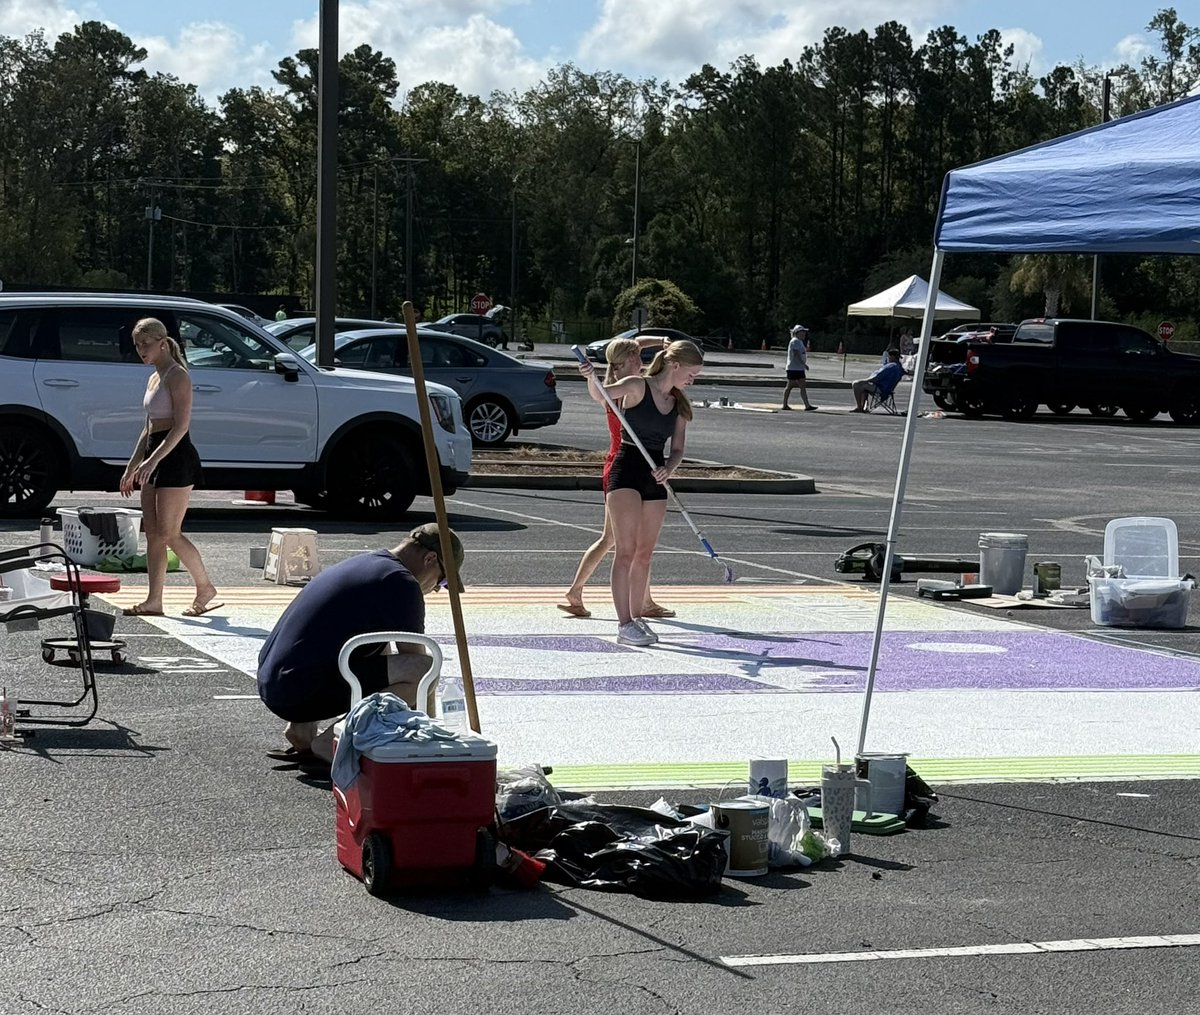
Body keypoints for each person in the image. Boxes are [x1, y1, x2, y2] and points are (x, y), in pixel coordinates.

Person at [257, 524, 466, 764]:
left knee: (346, 647)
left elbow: (380, 652)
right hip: (297, 690)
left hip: (276, 683)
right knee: (425, 668)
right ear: (430, 559)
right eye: (443, 581)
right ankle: (332, 742)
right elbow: (421, 672)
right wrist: (431, 737)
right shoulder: (401, 582)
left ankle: (301, 730)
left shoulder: (369, 564)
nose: (438, 589)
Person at [577, 340, 704, 646]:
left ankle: (638, 619)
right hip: (626, 468)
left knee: (645, 554)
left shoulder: (680, 405)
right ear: (675, 365)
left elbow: (677, 449)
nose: (692, 379)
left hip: (654, 475)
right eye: (692, 372)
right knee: (626, 550)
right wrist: (590, 377)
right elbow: (604, 396)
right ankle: (624, 624)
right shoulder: (636, 385)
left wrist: (669, 469)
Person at [558, 336, 674, 620]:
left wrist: (660, 340)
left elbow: (632, 343)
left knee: (621, 540)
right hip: (621, 466)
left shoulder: (629, 379)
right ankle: (586, 592)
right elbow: (598, 392)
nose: (641, 359)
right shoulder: (624, 390)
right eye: (636, 357)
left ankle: (633, 598)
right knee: (622, 541)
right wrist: (590, 378)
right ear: (623, 363)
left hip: (630, 466)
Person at [119, 318, 220, 618]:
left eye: (145, 345)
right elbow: (148, 427)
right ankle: (154, 600)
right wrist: (132, 465)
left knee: (169, 533)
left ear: (162, 342)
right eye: (137, 346)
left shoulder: (178, 376)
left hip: (175, 456)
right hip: (155, 451)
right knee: (153, 534)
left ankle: (205, 587)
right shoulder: (153, 377)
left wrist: (154, 461)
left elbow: (180, 426)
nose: (140, 351)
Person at [782, 324, 817, 411]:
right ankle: (785, 404)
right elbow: (796, 354)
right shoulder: (795, 341)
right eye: (802, 332)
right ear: (797, 333)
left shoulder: (800, 341)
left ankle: (807, 405)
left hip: (799, 368)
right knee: (789, 386)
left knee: (802, 386)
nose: (804, 334)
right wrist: (804, 364)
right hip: (793, 368)